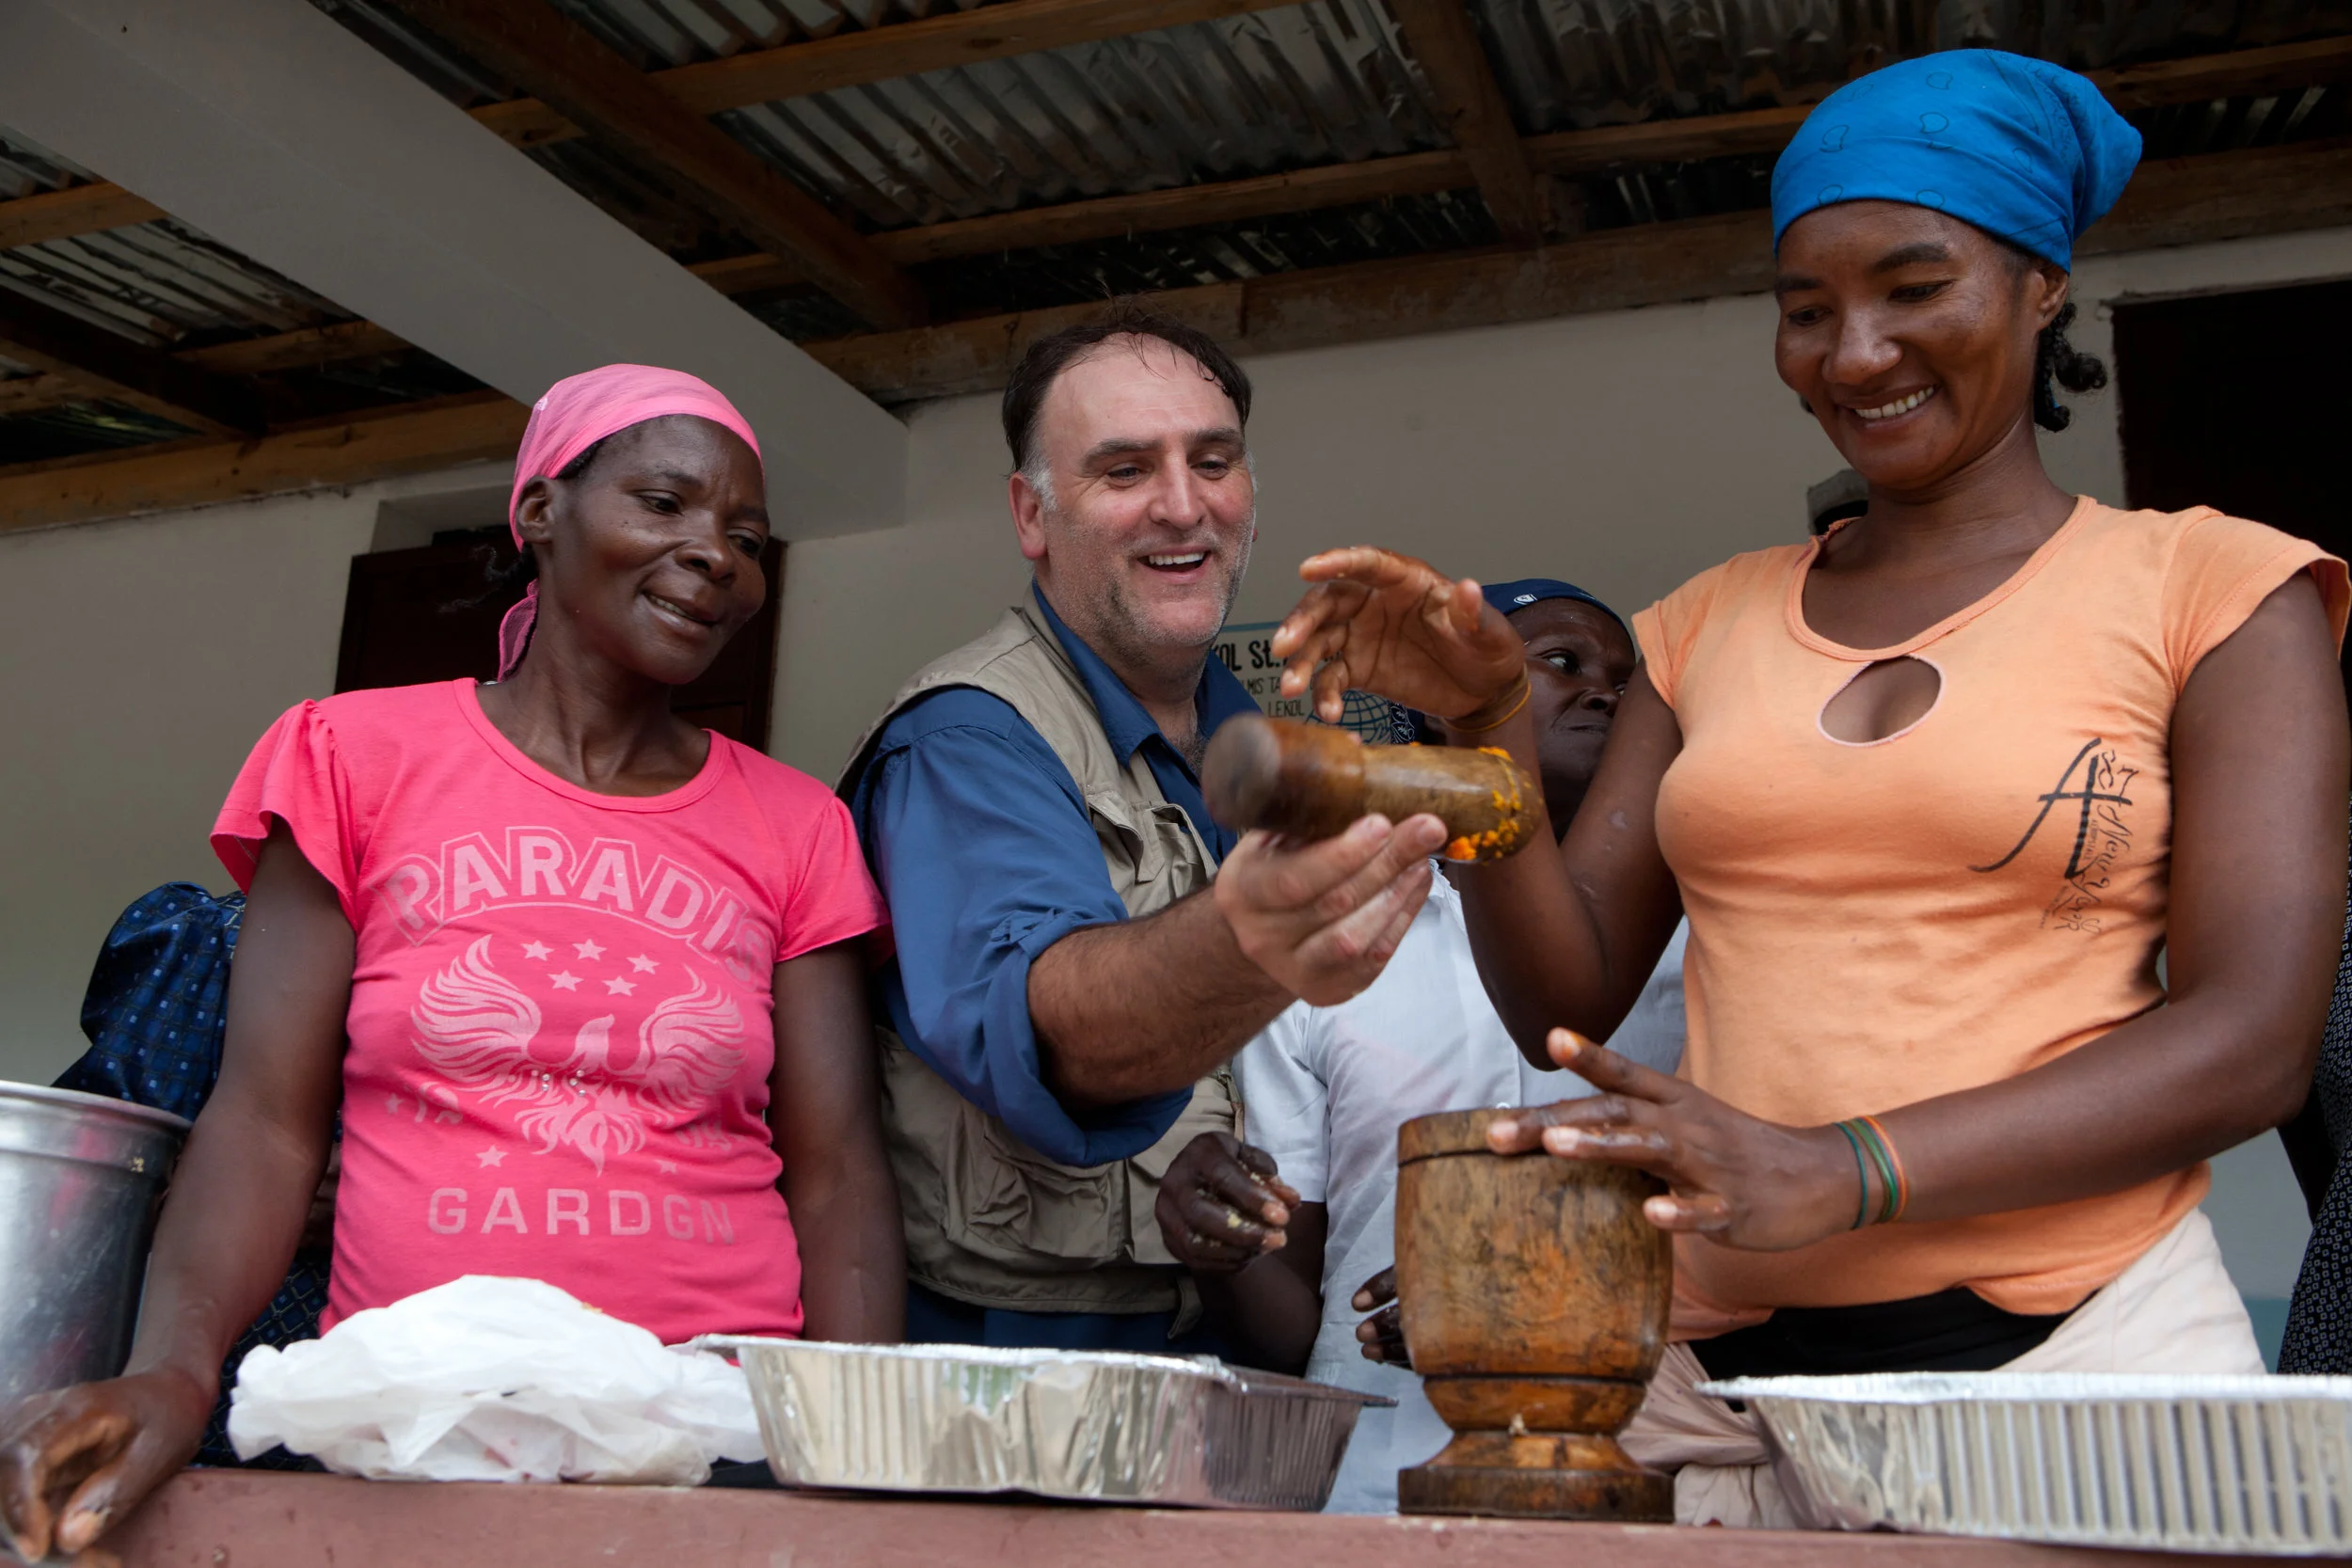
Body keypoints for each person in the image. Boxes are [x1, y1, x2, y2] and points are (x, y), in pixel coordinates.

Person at [1268, 50, 2350, 1528]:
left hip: (2091, 1371)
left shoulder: (2215, 589)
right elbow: (1562, 996)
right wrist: (1489, 726)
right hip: (1725, 1404)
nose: (1854, 352)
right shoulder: (1707, 622)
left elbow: (2250, 1041)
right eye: (1805, 309)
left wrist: (1848, 1167)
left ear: (2041, 285)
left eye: (1915, 286)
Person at [0, 366, 903, 1561]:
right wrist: (170, 1374)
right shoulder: (350, 757)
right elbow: (266, 1121)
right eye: (665, 503)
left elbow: (836, 1172)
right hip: (410, 1426)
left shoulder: (797, 827)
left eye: (745, 534)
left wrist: (863, 1466)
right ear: (538, 511)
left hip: (716, 1435)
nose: (715, 554)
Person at [840, 303, 1446, 1351]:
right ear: (1032, 515)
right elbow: (1061, 1037)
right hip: (1028, 1354)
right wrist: (1254, 931)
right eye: (1123, 471)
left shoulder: (1247, 732)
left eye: (1212, 461)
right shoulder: (966, 739)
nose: (1182, 505)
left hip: (1236, 1337)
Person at [1153, 578, 1690, 1513]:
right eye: (1562, 663)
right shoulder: (1340, 938)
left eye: (1625, 678)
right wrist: (1218, 1244)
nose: (1607, 692)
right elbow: (1288, 1323)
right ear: (1448, 711)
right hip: (1374, 1485)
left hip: (1640, 1472)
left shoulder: (1706, 940)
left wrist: (1513, 1297)